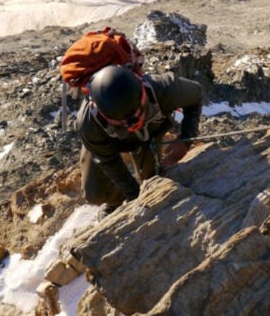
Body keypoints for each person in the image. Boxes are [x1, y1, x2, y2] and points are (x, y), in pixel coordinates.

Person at [76, 64, 203, 211]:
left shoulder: (166, 89)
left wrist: (185, 139)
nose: (133, 126)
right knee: (95, 193)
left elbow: (196, 94)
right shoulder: (89, 124)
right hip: (109, 142)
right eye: (123, 124)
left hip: (148, 136)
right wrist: (134, 196)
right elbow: (108, 160)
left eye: (139, 114)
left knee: (151, 179)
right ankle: (114, 203)